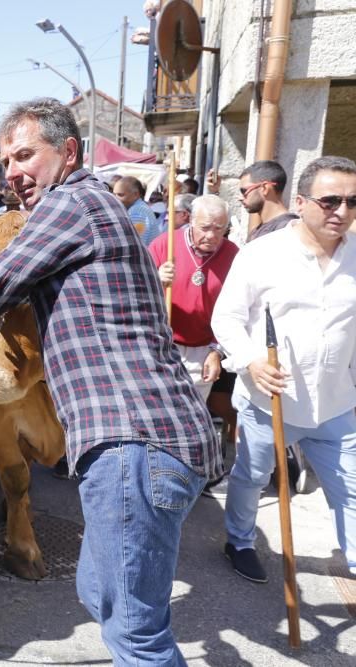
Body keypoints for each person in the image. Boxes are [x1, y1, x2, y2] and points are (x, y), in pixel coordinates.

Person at [0, 98, 220, 665]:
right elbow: (3, 281)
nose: (13, 171)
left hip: (133, 443)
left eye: (25, 155)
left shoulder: (71, 204)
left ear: (68, 152)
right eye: (4, 160)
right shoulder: (90, 206)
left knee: (138, 638)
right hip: (144, 444)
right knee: (98, 592)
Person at [212, 156, 356, 583]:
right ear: (301, 200)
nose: (342, 212)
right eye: (330, 201)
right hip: (268, 400)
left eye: (352, 201)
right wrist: (251, 361)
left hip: (336, 403)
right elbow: (227, 319)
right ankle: (238, 541)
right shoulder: (263, 254)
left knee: (351, 490)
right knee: (252, 477)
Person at [149, 194, 237, 402]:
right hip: (164, 343)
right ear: (191, 222)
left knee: (194, 411)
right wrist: (156, 280)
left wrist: (217, 351)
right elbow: (136, 292)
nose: (212, 235)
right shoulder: (165, 244)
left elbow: (237, 308)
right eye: (205, 227)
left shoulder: (233, 254)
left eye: (219, 228)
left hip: (205, 348)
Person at [238, 160, 298, 243]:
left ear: (265, 188)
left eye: (243, 191)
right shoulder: (258, 230)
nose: (240, 198)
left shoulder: (288, 229)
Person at [112, 175, 160, 245]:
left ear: (136, 194)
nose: (115, 198)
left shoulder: (138, 212)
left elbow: (134, 244)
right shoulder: (138, 208)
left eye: (120, 195)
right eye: (114, 194)